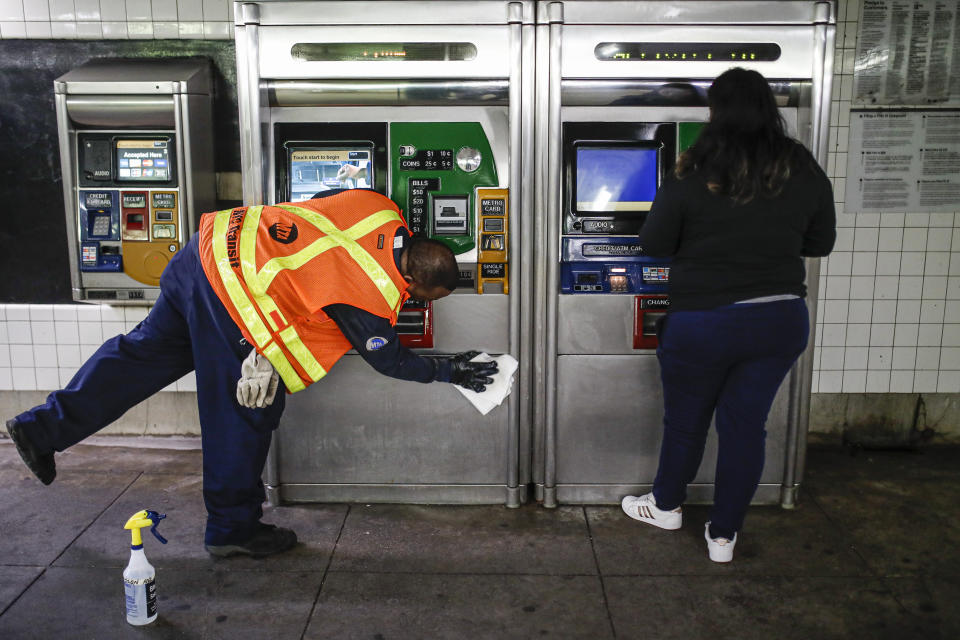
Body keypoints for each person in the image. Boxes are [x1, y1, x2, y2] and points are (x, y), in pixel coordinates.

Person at [6, 188, 497, 558]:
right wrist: (450, 371)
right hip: (233, 302)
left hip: (206, 252)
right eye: (417, 296)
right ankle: (232, 530)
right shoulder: (369, 295)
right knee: (246, 410)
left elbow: (307, 217)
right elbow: (390, 360)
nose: (409, 301)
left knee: (140, 358)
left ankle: (40, 427)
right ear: (411, 279)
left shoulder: (379, 206)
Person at [619, 68, 836, 563]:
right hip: (778, 320)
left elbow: (655, 243)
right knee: (745, 427)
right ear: (770, 109)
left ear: (714, 112)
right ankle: (723, 536)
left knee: (687, 422)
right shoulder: (799, 164)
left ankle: (668, 506)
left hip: (704, 320)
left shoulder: (695, 167)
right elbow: (820, 242)